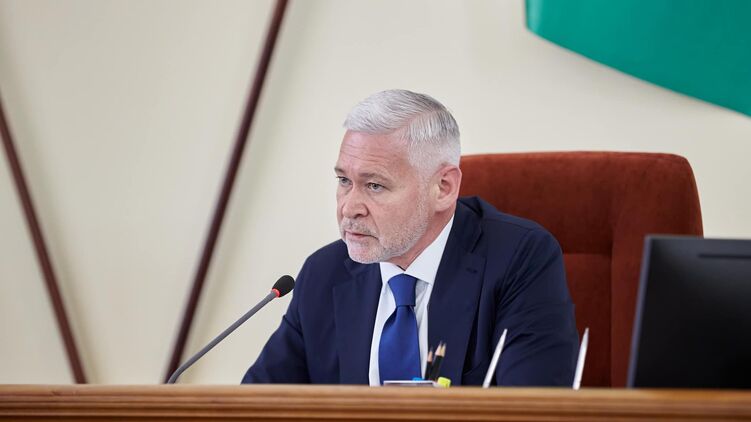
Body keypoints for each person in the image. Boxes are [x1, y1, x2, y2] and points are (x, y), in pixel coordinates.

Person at [242, 89, 578, 386]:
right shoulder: (324, 273)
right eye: (344, 181)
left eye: (375, 185)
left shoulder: (518, 258)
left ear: (443, 188)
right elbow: (257, 405)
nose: (349, 208)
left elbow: (532, 409)